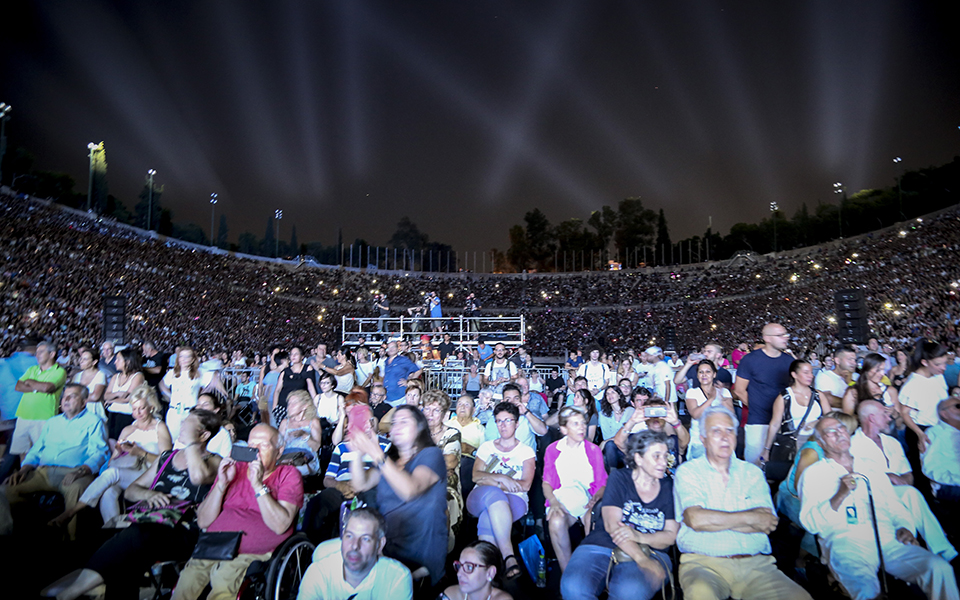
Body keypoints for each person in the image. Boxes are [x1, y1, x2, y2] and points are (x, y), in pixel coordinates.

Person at [42, 409, 222, 600]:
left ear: (204, 434)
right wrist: (148, 494)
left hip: (182, 530)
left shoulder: (215, 461)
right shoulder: (167, 458)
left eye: (188, 424)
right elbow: (131, 490)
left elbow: (198, 477)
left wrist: (193, 444)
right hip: (147, 521)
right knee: (108, 540)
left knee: (136, 538)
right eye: (184, 422)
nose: (182, 426)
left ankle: (73, 591)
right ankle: (78, 586)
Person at [799, 416, 958, 600]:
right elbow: (811, 524)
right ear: (821, 442)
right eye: (830, 432)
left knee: (938, 569)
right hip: (846, 541)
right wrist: (840, 495)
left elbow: (893, 504)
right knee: (866, 593)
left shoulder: (870, 466)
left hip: (887, 536)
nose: (839, 434)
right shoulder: (814, 474)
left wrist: (904, 526)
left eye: (841, 428)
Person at [674, 406, 811, 600]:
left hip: (757, 566)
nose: (724, 437)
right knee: (700, 595)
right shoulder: (689, 472)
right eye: (716, 431)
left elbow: (766, 523)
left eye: (730, 430)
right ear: (703, 439)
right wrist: (749, 517)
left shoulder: (752, 473)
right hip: (703, 564)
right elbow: (696, 520)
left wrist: (714, 519)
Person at [172, 424, 304, 600]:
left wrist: (258, 486)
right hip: (216, 544)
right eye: (251, 445)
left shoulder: (288, 474)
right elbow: (203, 521)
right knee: (187, 581)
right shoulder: (234, 469)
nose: (255, 450)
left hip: (253, 551)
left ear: (279, 452)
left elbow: (280, 525)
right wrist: (221, 485)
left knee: (223, 580)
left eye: (263, 445)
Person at [561, 430, 677, 600]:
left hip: (652, 551)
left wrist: (639, 536)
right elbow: (612, 526)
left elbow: (671, 536)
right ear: (638, 458)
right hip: (603, 543)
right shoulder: (620, 478)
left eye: (665, 456)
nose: (663, 462)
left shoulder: (669, 487)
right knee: (573, 586)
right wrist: (641, 559)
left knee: (630, 591)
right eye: (656, 456)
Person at [350, 404, 447, 585]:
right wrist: (357, 452)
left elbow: (410, 490)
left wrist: (376, 452)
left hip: (419, 555)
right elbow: (360, 484)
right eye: (394, 423)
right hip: (388, 549)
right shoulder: (390, 462)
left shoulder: (432, 455)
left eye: (404, 421)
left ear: (420, 427)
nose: (397, 426)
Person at [49, 384, 172, 526]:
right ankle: (114, 530)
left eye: (142, 408)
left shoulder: (159, 427)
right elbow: (111, 462)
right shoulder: (128, 429)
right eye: (134, 409)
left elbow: (166, 462)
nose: (137, 413)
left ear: (151, 407)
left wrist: (140, 453)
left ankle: (71, 512)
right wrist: (119, 453)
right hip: (128, 473)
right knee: (109, 491)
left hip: (150, 475)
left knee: (112, 474)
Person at [0, 384, 108, 538]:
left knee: (76, 490)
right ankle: (19, 532)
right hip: (43, 473)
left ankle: (72, 542)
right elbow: (36, 451)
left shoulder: (93, 421)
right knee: (5, 490)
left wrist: (81, 471)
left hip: (75, 473)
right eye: (65, 396)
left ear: (84, 402)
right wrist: (24, 469)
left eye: (73, 396)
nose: (66, 399)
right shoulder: (53, 422)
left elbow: (100, 453)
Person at [301, 389, 389, 544]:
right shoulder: (341, 447)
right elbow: (327, 479)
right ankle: (308, 547)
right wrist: (339, 485)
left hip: (372, 488)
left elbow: (388, 475)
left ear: (372, 422)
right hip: (342, 486)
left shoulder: (385, 445)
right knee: (318, 503)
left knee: (373, 500)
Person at [468, 401, 536, 581]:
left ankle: (485, 574)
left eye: (507, 420)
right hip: (480, 496)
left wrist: (491, 480)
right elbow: (475, 476)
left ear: (517, 423)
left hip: (515, 499)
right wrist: (504, 479)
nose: (503, 425)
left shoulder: (526, 451)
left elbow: (525, 485)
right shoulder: (486, 447)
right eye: (498, 421)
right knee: (495, 495)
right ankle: (508, 557)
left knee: (487, 515)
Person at [297, 507, 413, 600]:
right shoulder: (318, 573)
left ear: (379, 544)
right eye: (349, 536)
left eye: (365, 539)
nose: (354, 545)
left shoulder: (397, 578)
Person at [543, 406, 607, 572]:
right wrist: (553, 502)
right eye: (576, 424)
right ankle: (567, 572)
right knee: (556, 521)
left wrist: (596, 499)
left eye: (583, 423)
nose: (582, 427)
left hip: (587, 499)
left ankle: (590, 569)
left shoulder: (593, 450)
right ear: (564, 429)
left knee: (591, 518)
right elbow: (547, 483)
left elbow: (602, 484)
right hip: (563, 498)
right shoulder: (553, 450)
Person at [733, 323, 795, 464]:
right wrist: (756, 406)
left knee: (782, 465)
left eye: (786, 334)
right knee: (756, 466)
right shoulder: (750, 360)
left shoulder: (789, 361)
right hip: (758, 422)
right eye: (780, 335)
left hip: (784, 422)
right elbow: (739, 390)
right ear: (767, 338)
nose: (785, 338)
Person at [759, 359, 831, 464]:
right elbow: (775, 424)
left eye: (811, 372)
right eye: (806, 373)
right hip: (794, 443)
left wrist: (818, 421)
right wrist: (766, 450)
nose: (810, 376)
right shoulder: (785, 397)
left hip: (817, 442)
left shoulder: (818, 395)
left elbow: (830, 418)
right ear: (794, 374)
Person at [11, 340, 67, 461]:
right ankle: (24, 478)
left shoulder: (59, 371)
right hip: (23, 415)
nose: (37, 355)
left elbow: (47, 388)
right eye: (36, 352)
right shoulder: (32, 369)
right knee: (23, 452)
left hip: (44, 417)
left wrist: (30, 382)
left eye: (41, 352)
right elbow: (18, 386)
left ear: (52, 354)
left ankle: (39, 478)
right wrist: (37, 387)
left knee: (42, 453)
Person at [421, 390, 464, 550]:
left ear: (445, 414)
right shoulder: (417, 433)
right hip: (418, 483)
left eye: (436, 410)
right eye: (427, 409)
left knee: (440, 502)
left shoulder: (452, 433)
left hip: (446, 487)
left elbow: (450, 462)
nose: (430, 414)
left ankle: (440, 556)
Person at [900, 340, 949, 452]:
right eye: (937, 364)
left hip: (940, 428)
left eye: (944, 363)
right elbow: (904, 413)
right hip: (922, 430)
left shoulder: (938, 376)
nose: (943, 367)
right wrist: (920, 433)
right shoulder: (913, 383)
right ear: (925, 362)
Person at [684, 360, 734, 460]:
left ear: (714, 374)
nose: (704, 375)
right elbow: (695, 415)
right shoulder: (692, 392)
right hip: (699, 440)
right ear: (697, 375)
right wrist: (711, 399)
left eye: (708, 372)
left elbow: (732, 415)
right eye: (701, 372)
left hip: (721, 439)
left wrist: (721, 397)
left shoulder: (724, 392)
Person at [439, 540, 513, 600]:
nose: (459, 574)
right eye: (459, 566)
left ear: (490, 573)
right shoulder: (451, 595)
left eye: (469, 567)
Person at [160, 347, 205, 440]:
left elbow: (211, 383)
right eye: (181, 356)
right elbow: (162, 384)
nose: (184, 359)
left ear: (193, 359)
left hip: (191, 412)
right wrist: (169, 395)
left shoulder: (199, 373)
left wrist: (200, 400)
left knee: (191, 440)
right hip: (174, 411)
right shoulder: (172, 373)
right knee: (172, 439)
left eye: (187, 356)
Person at [278, 389, 323, 476]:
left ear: (305, 406)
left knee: (294, 471)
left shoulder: (313, 422)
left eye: (293, 403)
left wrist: (304, 434)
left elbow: (316, 447)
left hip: (305, 461)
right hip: (286, 458)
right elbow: (279, 445)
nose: (289, 407)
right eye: (289, 403)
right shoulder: (285, 422)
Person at [103, 347, 145, 440]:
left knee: (122, 442)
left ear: (128, 361)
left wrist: (111, 400)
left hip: (127, 415)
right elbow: (106, 396)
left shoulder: (137, 376)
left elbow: (129, 398)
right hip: (112, 413)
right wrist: (118, 393)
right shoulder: (115, 376)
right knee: (110, 440)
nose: (115, 362)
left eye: (118, 359)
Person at [923, 397, 960, 502]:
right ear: (944, 414)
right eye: (958, 406)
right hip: (949, 486)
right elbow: (931, 468)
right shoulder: (934, 433)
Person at [273, 345, 317, 423]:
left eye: (296, 354)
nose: (293, 356)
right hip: (283, 407)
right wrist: (274, 408)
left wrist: (316, 405)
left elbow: (311, 388)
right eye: (291, 354)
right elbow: (277, 390)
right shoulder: (285, 371)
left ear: (302, 356)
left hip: (300, 408)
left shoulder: (307, 368)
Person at [70, 347, 107, 421]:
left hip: (94, 413)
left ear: (94, 362)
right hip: (77, 412)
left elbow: (95, 397)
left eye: (85, 359)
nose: (81, 361)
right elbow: (70, 394)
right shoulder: (77, 376)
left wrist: (76, 397)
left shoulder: (100, 375)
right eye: (81, 358)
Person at [382, 341, 421, 406]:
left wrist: (408, 381)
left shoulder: (403, 360)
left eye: (393, 347)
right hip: (387, 396)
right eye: (389, 347)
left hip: (399, 396)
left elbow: (418, 371)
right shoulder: (386, 361)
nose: (391, 349)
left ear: (398, 349)